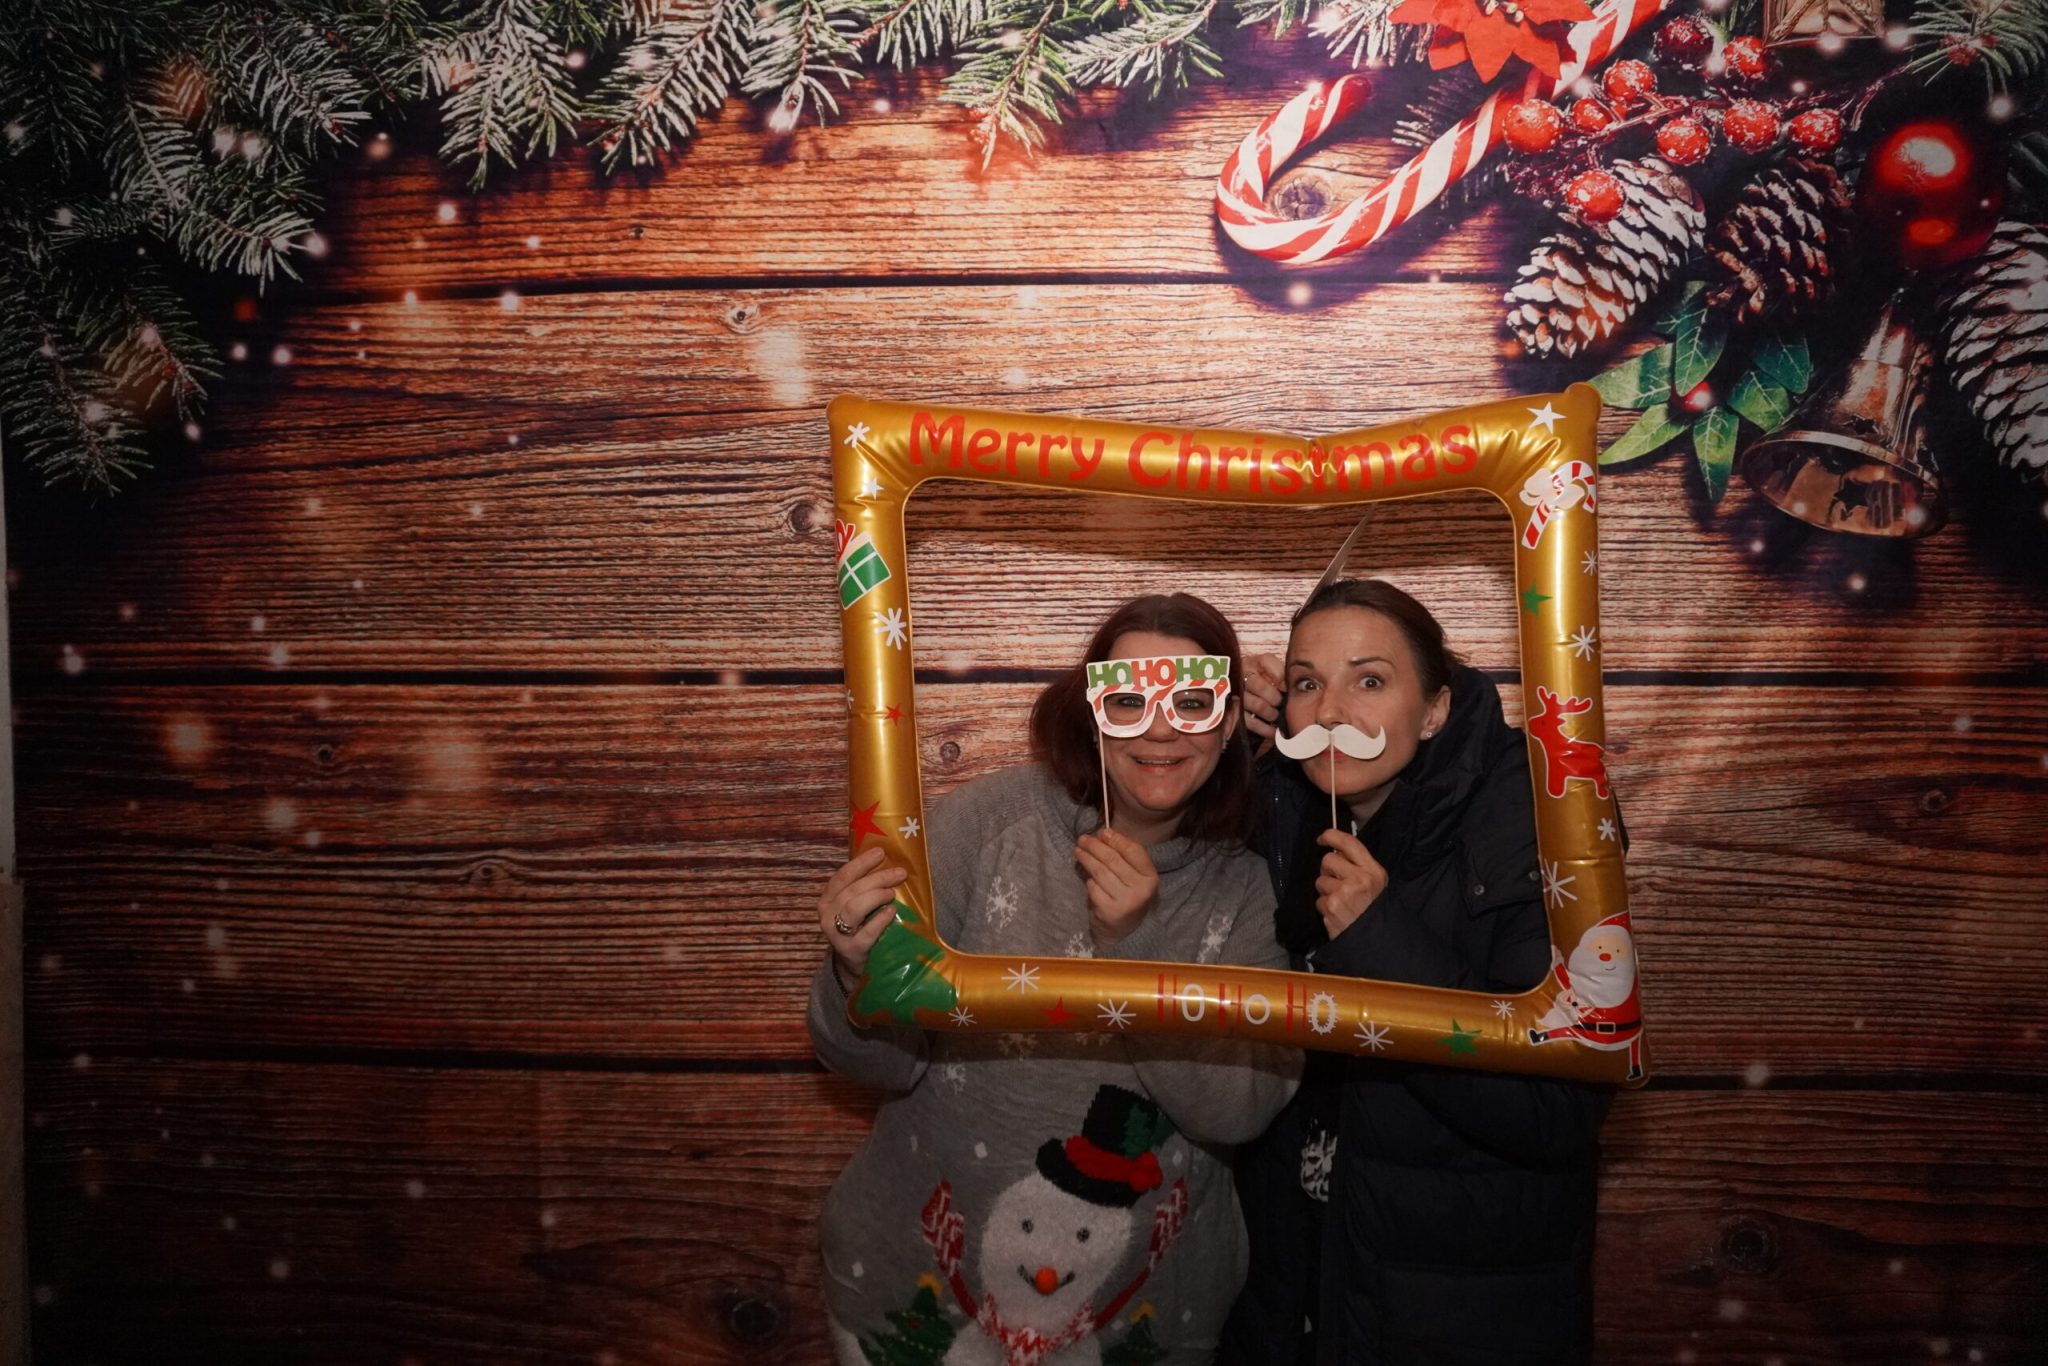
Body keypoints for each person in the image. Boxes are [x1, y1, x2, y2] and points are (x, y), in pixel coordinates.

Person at [810, 593, 1301, 1366]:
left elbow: (1240, 1109)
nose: (1161, 729)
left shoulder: (1246, 888)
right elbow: (874, 1063)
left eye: (1192, 702)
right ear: (1091, 713)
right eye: (1128, 700)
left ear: (1231, 718)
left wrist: (1135, 953)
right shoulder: (986, 827)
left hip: (1140, 1317)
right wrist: (855, 971)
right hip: (918, 1294)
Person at [1221, 578, 1612, 1366]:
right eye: (1307, 684)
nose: (1331, 712)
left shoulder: (1537, 816)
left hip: (1456, 1310)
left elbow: (1559, 1109)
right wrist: (1234, 734)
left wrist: (1380, 941)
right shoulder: (1291, 804)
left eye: (1370, 681)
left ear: (1435, 709)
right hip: (1307, 1280)